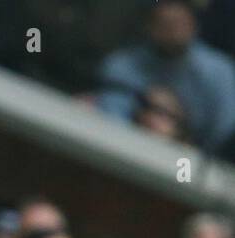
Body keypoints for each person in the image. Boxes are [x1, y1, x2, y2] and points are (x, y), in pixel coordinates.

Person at [97, 0, 235, 153]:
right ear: (149, 26)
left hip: (191, 160)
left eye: (180, 24)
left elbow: (224, 135)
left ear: (194, 25)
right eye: (166, 24)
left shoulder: (219, 71)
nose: (174, 32)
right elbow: (111, 119)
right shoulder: (122, 66)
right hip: (126, 149)